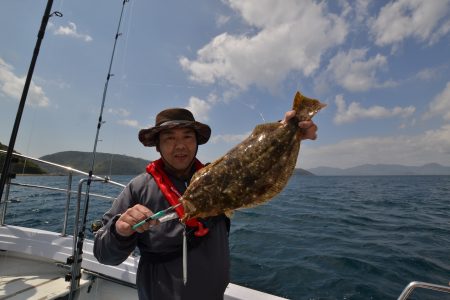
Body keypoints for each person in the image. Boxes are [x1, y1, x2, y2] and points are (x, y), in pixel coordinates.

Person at [93, 107, 318, 300]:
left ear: (197, 142)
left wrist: (289, 128)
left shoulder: (219, 177)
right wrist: (120, 230)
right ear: (158, 146)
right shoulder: (138, 188)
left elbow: (250, 158)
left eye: (187, 137)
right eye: (169, 138)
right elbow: (104, 254)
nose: (179, 145)